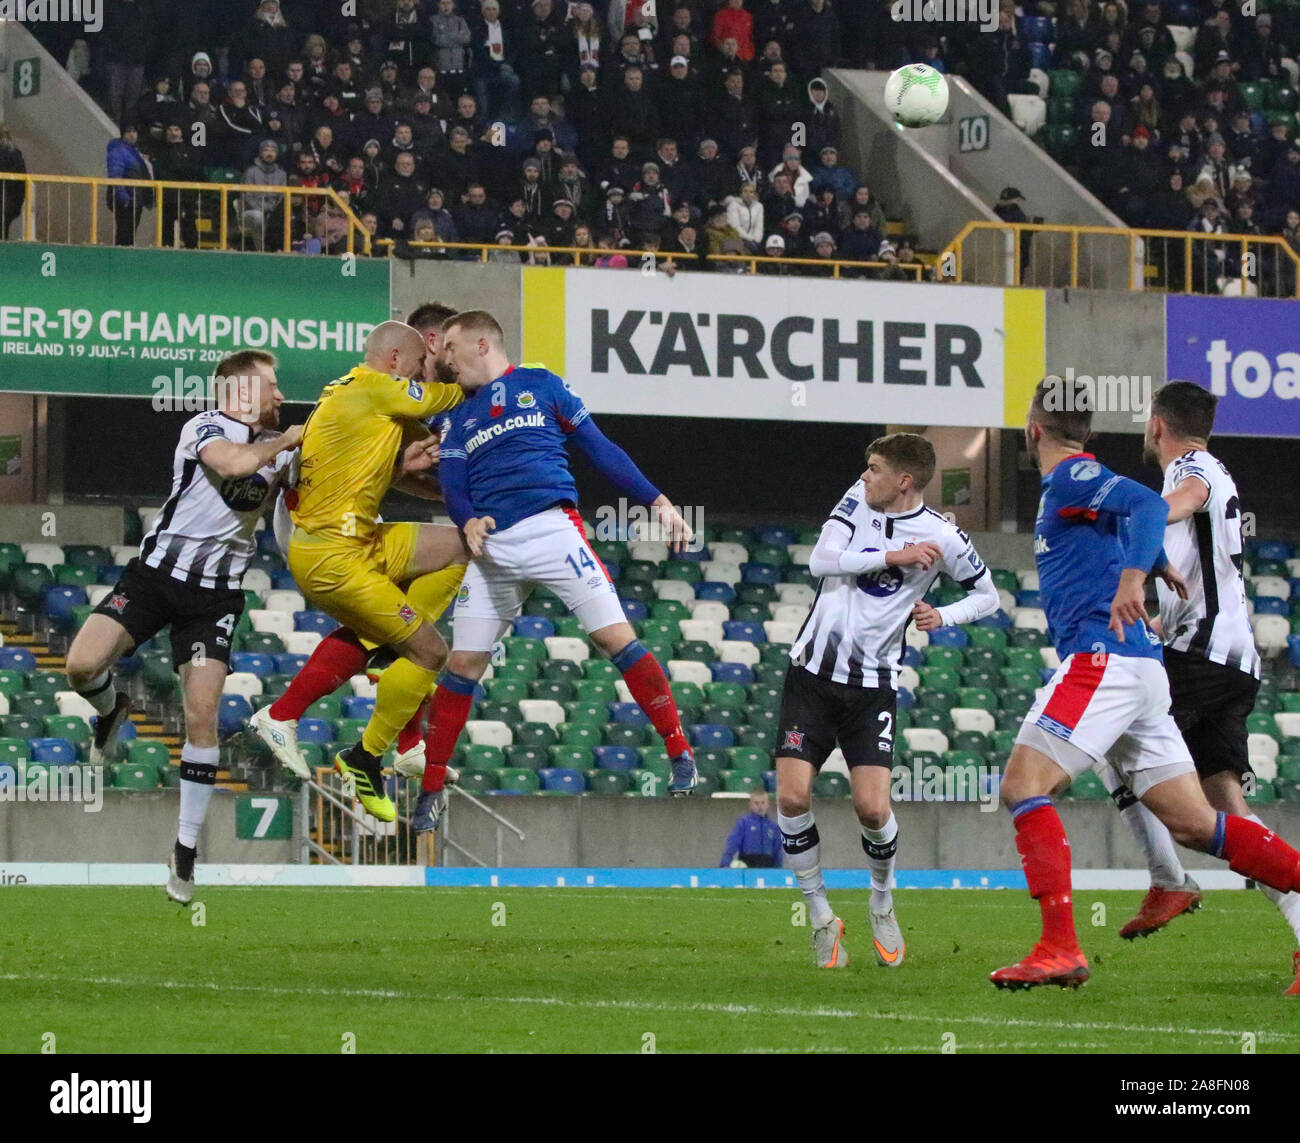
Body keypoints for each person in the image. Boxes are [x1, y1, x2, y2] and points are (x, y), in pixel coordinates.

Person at [990, 376, 1300, 989]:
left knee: (1023, 783)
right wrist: (1149, 559)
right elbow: (1139, 518)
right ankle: (1172, 879)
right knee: (1199, 823)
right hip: (1148, 671)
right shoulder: (1082, 489)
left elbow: (1154, 507)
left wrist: (1136, 574)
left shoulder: (1078, 476)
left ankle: (1060, 946)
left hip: (1111, 663)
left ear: (1032, 431)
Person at [412, 310, 699, 831]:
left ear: (482, 344)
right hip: (492, 548)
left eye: (451, 348)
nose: (446, 360)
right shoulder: (458, 416)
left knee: (617, 640)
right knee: (463, 665)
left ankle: (678, 750)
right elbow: (454, 484)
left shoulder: (542, 384)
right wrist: (467, 519)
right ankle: (431, 786)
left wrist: (658, 501)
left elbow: (600, 449)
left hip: (553, 532)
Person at [64, 352, 301, 904]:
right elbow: (237, 465)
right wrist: (286, 443)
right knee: (80, 666)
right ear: (241, 389)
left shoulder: (281, 449)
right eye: (272, 384)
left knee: (202, 716)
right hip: (154, 578)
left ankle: (186, 850)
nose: (280, 394)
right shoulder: (206, 426)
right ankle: (110, 709)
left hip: (214, 598)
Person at [1089, 383, 1300, 994]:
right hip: (1223, 658)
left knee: (1102, 734)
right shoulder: (1209, 468)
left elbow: (1182, 502)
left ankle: (1169, 879)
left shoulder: (1194, 466)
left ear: (1157, 426)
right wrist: (1158, 613)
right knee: (1225, 812)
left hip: (1204, 657)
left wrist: (1134, 516)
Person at [776, 434, 999, 969]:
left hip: (873, 685)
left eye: (874, 469)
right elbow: (821, 560)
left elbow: (987, 594)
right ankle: (821, 916)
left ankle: (881, 901)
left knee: (873, 808)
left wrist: (945, 616)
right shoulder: (856, 499)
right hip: (810, 675)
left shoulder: (944, 537)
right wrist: (894, 555)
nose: (864, 474)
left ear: (903, 481)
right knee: (791, 798)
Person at [252, 305, 468, 782]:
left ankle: (395, 675)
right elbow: (448, 395)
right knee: (431, 653)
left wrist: (445, 490)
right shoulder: (373, 387)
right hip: (330, 554)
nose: (418, 376)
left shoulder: (367, 398)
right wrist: (492, 376)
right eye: (415, 368)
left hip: (360, 539)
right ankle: (284, 717)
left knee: (461, 545)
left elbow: (402, 466)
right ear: (394, 360)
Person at [106, 124, 153, 246]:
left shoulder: (133, 151)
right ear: (123, 134)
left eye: (134, 131)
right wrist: (124, 198)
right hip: (128, 199)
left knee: (128, 234)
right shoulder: (119, 151)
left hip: (134, 198)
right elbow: (115, 176)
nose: (132, 135)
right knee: (125, 234)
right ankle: (122, 261)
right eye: (128, 132)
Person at [720, 790, 783, 868]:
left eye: (763, 803)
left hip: (768, 866)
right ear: (750, 805)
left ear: (768, 804)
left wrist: (779, 869)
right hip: (747, 865)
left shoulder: (773, 826)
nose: (760, 806)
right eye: (756, 803)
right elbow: (732, 843)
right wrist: (725, 864)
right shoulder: (744, 823)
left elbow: (777, 851)